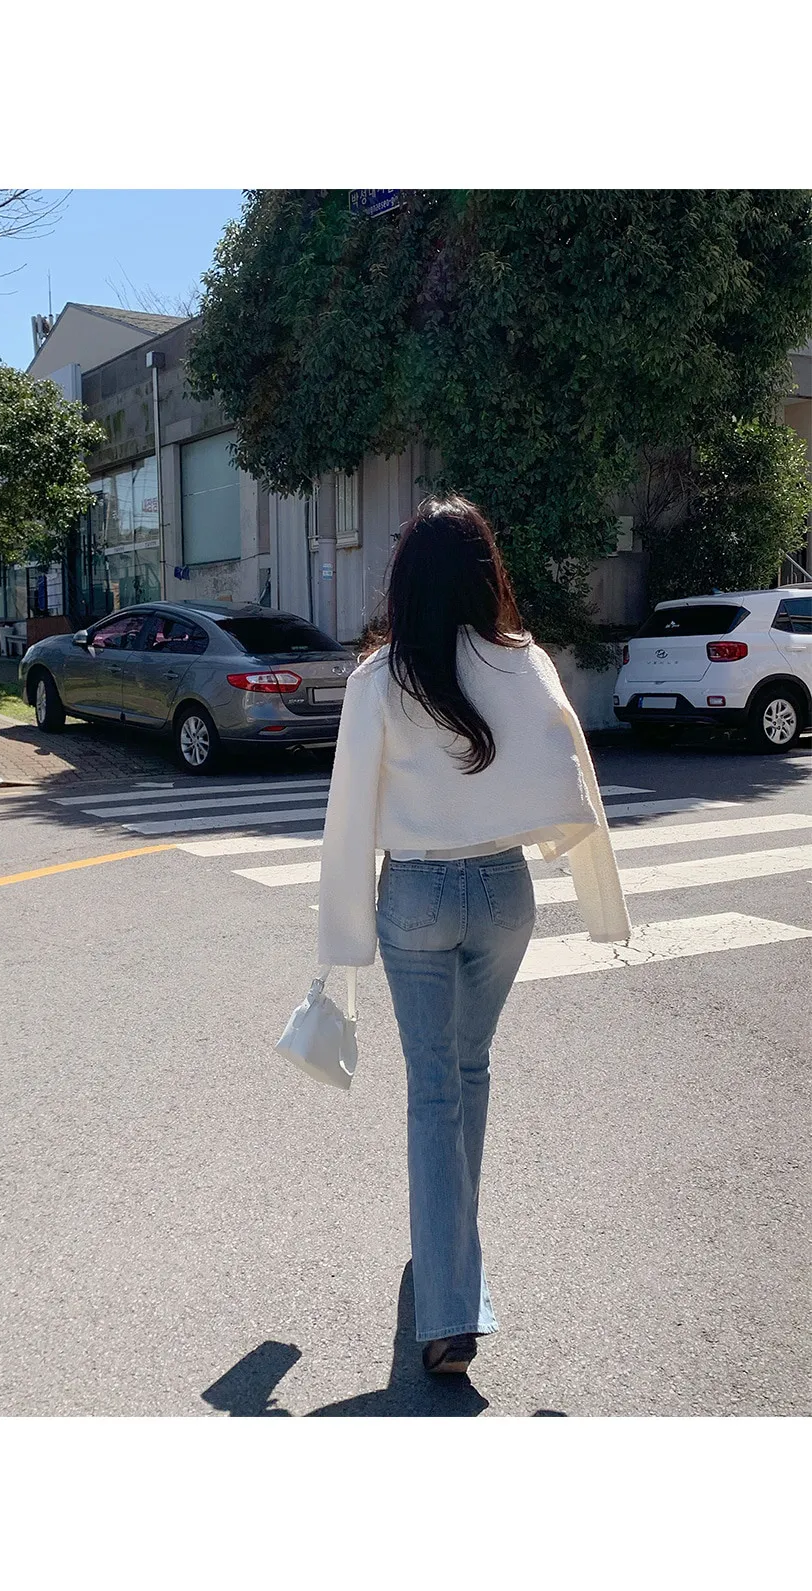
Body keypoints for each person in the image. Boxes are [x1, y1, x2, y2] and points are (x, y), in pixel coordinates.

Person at [316, 495, 631, 1376]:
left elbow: (347, 813)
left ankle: (450, 1305)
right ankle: (452, 1253)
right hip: (503, 891)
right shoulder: (522, 661)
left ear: (405, 579)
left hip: (417, 893)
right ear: (485, 574)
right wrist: (594, 886)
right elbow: (570, 768)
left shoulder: (381, 678)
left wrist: (340, 939)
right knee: (470, 1069)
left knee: (433, 1090)